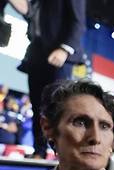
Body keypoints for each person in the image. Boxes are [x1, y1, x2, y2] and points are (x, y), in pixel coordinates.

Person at [2, 0, 86, 158]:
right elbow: (31, 14)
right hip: (37, 55)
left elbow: (78, 22)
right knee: (37, 106)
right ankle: (39, 152)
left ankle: (63, 154)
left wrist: (64, 49)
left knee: (59, 108)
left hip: (60, 56)